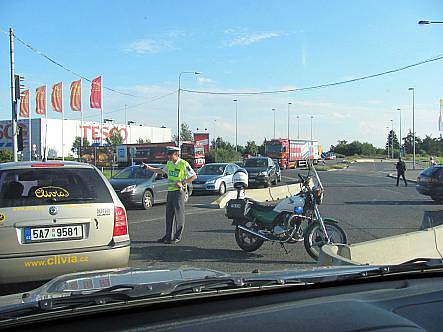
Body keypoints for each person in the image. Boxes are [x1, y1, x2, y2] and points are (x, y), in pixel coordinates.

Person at [142, 146, 197, 244]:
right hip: (170, 191)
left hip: (179, 192)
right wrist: (148, 168)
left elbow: (194, 176)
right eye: (168, 155)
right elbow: (161, 171)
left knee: (178, 215)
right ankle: (168, 236)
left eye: (170, 155)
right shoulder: (169, 163)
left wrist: (183, 182)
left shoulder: (183, 164)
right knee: (169, 215)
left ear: (176, 154)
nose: (169, 157)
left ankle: (177, 236)